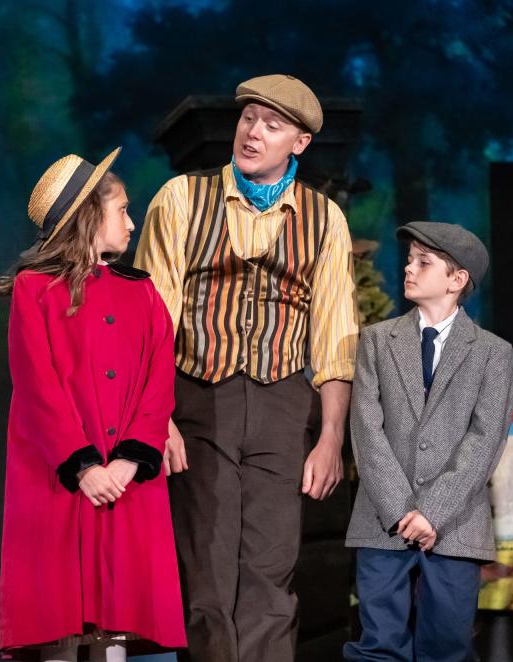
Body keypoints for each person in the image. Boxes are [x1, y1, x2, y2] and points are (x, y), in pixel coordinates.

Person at [134, 74, 359, 661]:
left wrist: (331, 435)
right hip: (197, 396)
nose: (254, 133)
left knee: (271, 571)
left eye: (272, 124)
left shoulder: (324, 219)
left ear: (300, 143)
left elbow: (335, 335)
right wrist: (157, 417)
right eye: (248, 118)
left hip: (283, 402)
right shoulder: (182, 198)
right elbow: (150, 323)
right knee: (205, 574)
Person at [0, 148, 186, 662]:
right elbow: (37, 385)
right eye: (122, 209)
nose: (132, 220)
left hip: (125, 480)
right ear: (88, 216)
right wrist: (82, 465)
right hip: (59, 477)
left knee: (116, 618)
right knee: (58, 614)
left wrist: (128, 460)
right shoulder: (35, 290)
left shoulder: (141, 292)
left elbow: (157, 381)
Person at [343, 222, 513, 661]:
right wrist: (402, 511)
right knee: (378, 645)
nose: (408, 268)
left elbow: (484, 439)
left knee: (447, 647)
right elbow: (366, 428)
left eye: (424, 262)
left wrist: (432, 512)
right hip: (383, 520)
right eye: (409, 259)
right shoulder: (377, 341)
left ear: (457, 280)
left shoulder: (492, 352)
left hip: (454, 527)